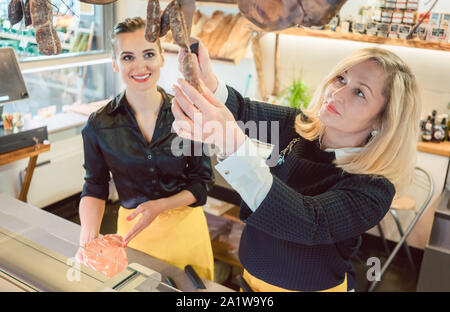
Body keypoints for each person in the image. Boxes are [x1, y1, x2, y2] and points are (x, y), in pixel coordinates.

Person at [172, 42, 421, 291]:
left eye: (359, 93)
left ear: (382, 119)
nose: (337, 94)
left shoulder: (374, 188)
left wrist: (235, 146)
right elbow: (244, 110)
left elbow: (309, 221)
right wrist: (208, 82)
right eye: (341, 79)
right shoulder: (299, 126)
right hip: (252, 280)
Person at [78, 18, 215, 280]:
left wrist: (160, 206)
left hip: (186, 232)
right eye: (128, 57)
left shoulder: (188, 112)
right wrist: (88, 237)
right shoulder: (98, 124)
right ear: (115, 64)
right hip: (133, 235)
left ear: (163, 58)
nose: (140, 66)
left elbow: (202, 182)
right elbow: (95, 186)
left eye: (149, 54)